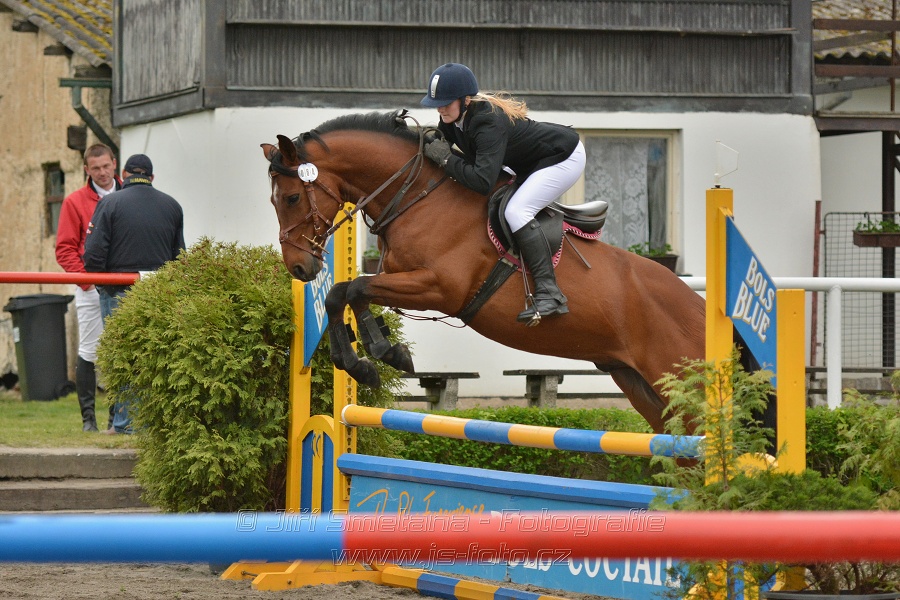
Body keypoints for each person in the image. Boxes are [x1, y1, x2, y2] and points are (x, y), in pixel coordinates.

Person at [420, 63, 586, 325]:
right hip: (524, 161)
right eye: (436, 103)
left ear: (465, 100)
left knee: (517, 211)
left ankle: (550, 293)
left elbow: (481, 180)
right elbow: (443, 146)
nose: (439, 108)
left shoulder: (487, 121)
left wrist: (445, 159)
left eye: (445, 103)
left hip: (562, 157)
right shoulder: (453, 117)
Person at [83, 154, 185, 434]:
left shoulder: (109, 203)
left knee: (123, 358)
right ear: (151, 177)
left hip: (118, 292)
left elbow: (93, 254)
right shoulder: (172, 206)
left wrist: (103, 283)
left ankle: (126, 425)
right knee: (155, 358)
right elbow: (180, 257)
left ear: (124, 174)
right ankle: (153, 425)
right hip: (159, 293)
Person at [55, 143, 122, 432]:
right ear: (86, 169)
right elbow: (65, 248)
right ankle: (88, 420)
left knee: (121, 351)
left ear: (115, 164)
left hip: (123, 286)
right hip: (91, 288)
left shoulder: (128, 196)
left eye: (106, 166)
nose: (102, 172)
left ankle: (116, 419)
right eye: (96, 168)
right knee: (90, 350)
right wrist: (86, 281)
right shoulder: (74, 202)